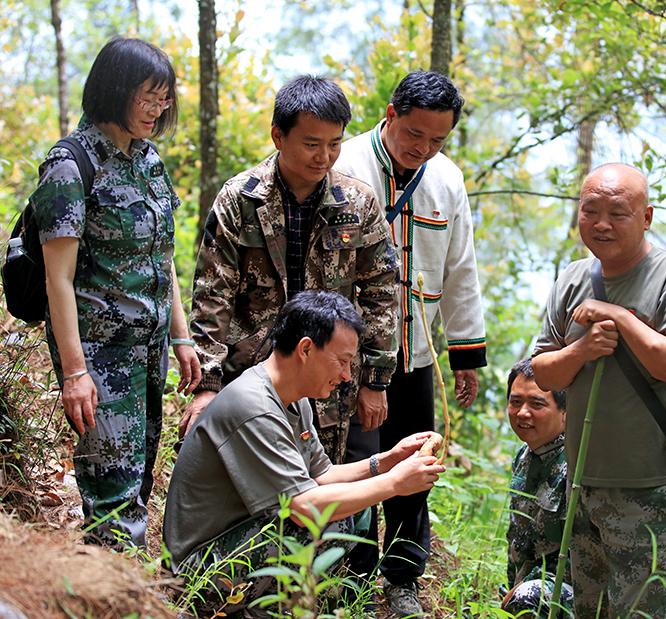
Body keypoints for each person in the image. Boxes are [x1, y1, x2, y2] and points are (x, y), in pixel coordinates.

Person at [163, 291, 444, 616]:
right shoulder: (254, 407)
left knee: (354, 512)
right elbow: (303, 508)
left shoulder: (291, 398)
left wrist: (387, 461)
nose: (347, 376)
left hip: (235, 543)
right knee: (335, 519)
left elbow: (320, 476)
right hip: (198, 574)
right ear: (306, 349)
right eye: (341, 362)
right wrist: (395, 483)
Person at [31, 37, 199, 547]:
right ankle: (115, 596)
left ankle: (117, 587)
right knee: (112, 499)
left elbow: (163, 257)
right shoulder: (70, 163)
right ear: (114, 90)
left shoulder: (147, 160)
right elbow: (56, 277)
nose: (156, 110)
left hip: (148, 351)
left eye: (163, 98)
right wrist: (76, 372)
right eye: (146, 98)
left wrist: (181, 337)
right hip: (100, 355)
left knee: (138, 480)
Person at [184, 75, 399, 464]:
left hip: (330, 380)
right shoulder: (240, 200)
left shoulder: (358, 203)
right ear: (278, 136)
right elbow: (212, 296)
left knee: (322, 491)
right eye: (311, 144)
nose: (324, 157)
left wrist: (376, 380)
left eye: (335, 144)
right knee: (254, 488)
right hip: (253, 374)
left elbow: (381, 294)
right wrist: (208, 384)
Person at [336, 70, 487, 614]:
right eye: (414, 135)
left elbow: (460, 268)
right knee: (355, 460)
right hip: (345, 361)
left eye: (437, 140)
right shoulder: (345, 165)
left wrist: (464, 353)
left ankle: (402, 577)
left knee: (415, 467)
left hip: (415, 353)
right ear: (391, 112)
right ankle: (347, 576)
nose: (423, 149)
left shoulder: (446, 180)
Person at [531, 163, 666, 618]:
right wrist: (582, 350)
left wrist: (622, 318)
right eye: (590, 211)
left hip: (650, 483)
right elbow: (543, 372)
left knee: (648, 610)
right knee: (588, 608)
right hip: (582, 481)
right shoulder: (572, 279)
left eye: (618, 212)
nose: (602, 224)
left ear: (647, 217)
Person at [501, 359, 573, 617]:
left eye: (537, 404)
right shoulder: (524, 455)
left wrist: (523, 590)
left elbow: (583, 551)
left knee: (529, 597)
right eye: (515, 402)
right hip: (528, 588)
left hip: (575, 594)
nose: (522, 413)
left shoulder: (578, 464)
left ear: (565, 412)